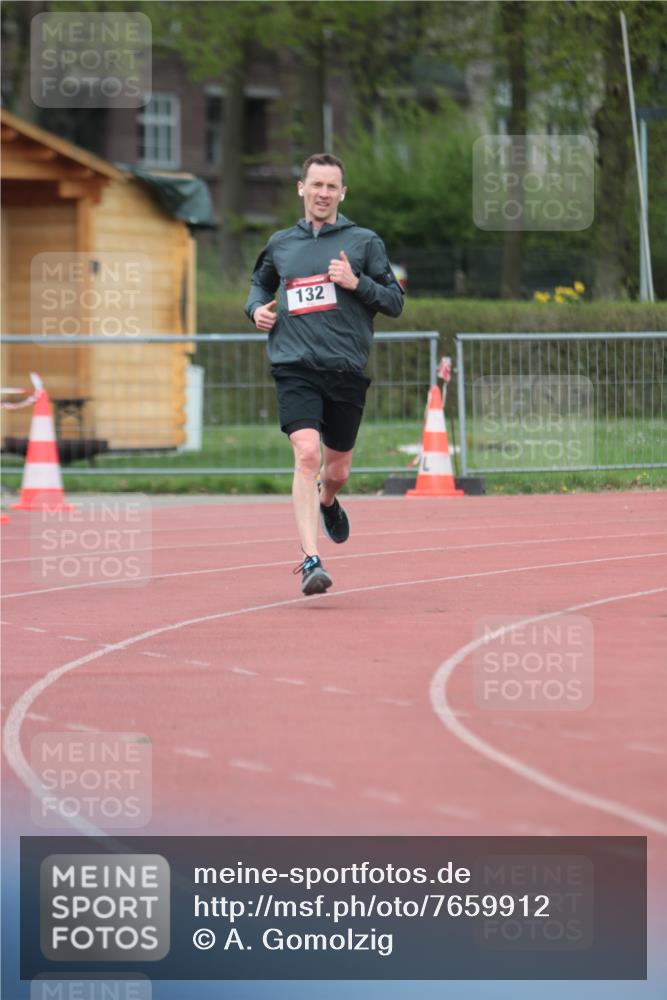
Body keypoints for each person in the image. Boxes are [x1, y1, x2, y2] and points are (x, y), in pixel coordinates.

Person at [245, 153, 404, 595]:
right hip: (294, 365)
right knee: (306, 454)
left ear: (342, 193)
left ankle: (328, 500)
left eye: (331, 187)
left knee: (336, 471)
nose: (323, 193)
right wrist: (255, 309)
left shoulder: (363, 242)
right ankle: (311, 559)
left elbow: (394, 302)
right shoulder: (281, 244)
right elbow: (259, 284)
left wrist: (357, 284)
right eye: (316, 185)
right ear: (301, 188)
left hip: (345, 369)